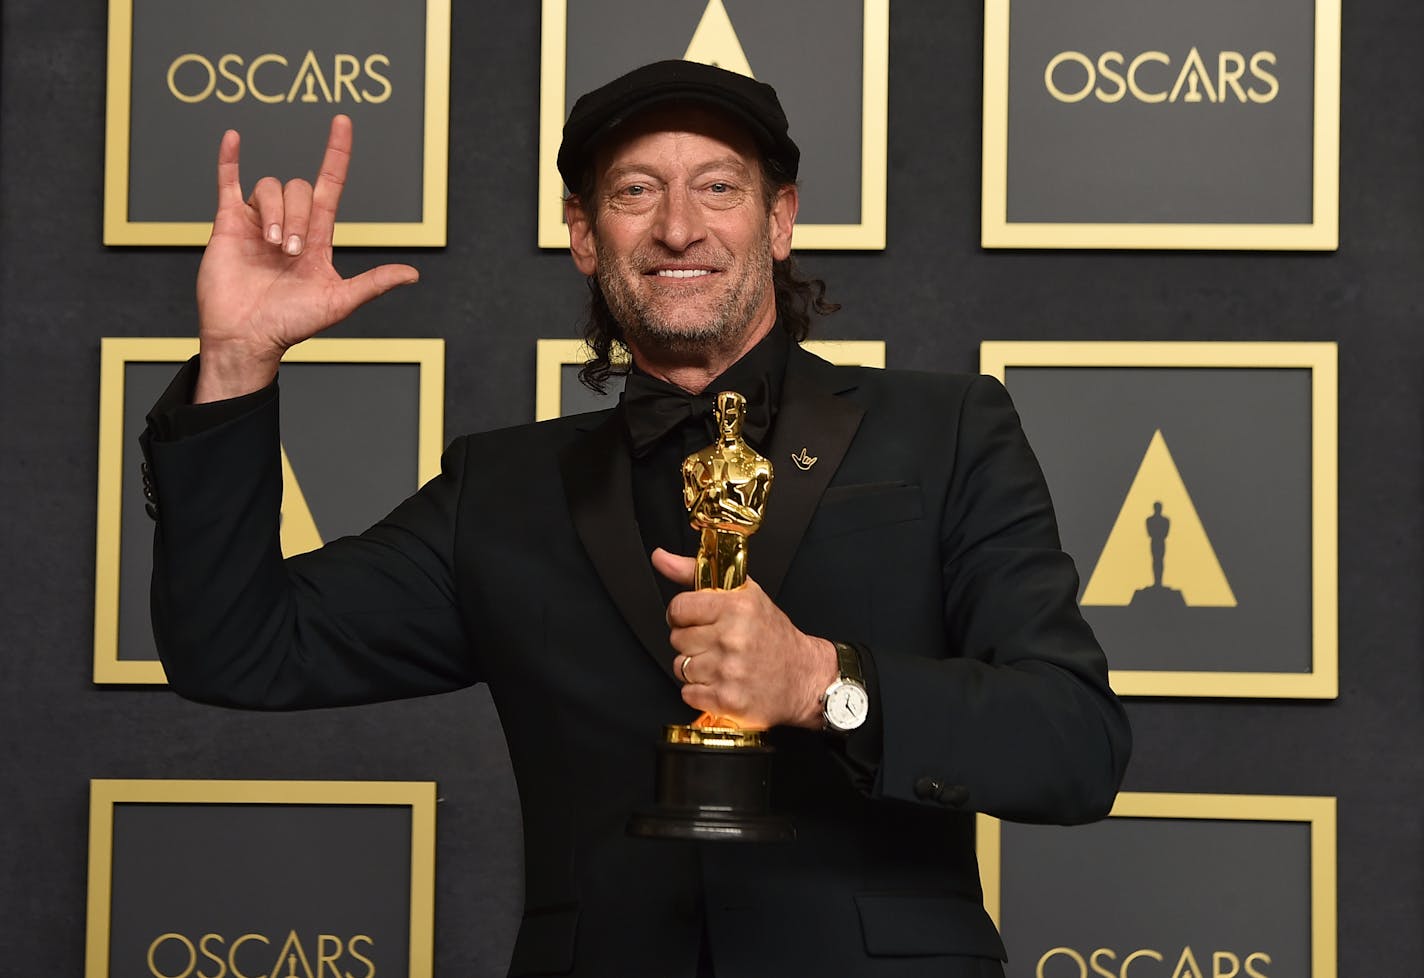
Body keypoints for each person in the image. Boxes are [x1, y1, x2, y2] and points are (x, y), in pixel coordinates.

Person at [142, 60, 1131, 978]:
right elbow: (236, 649)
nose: (676, 227)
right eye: (633, 191)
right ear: (584, 234)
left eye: (717, 186)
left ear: (777, 220)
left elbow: (1073, 745)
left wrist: (825, 684)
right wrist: (237, 363)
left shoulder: (945, 428)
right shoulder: (502, 489)